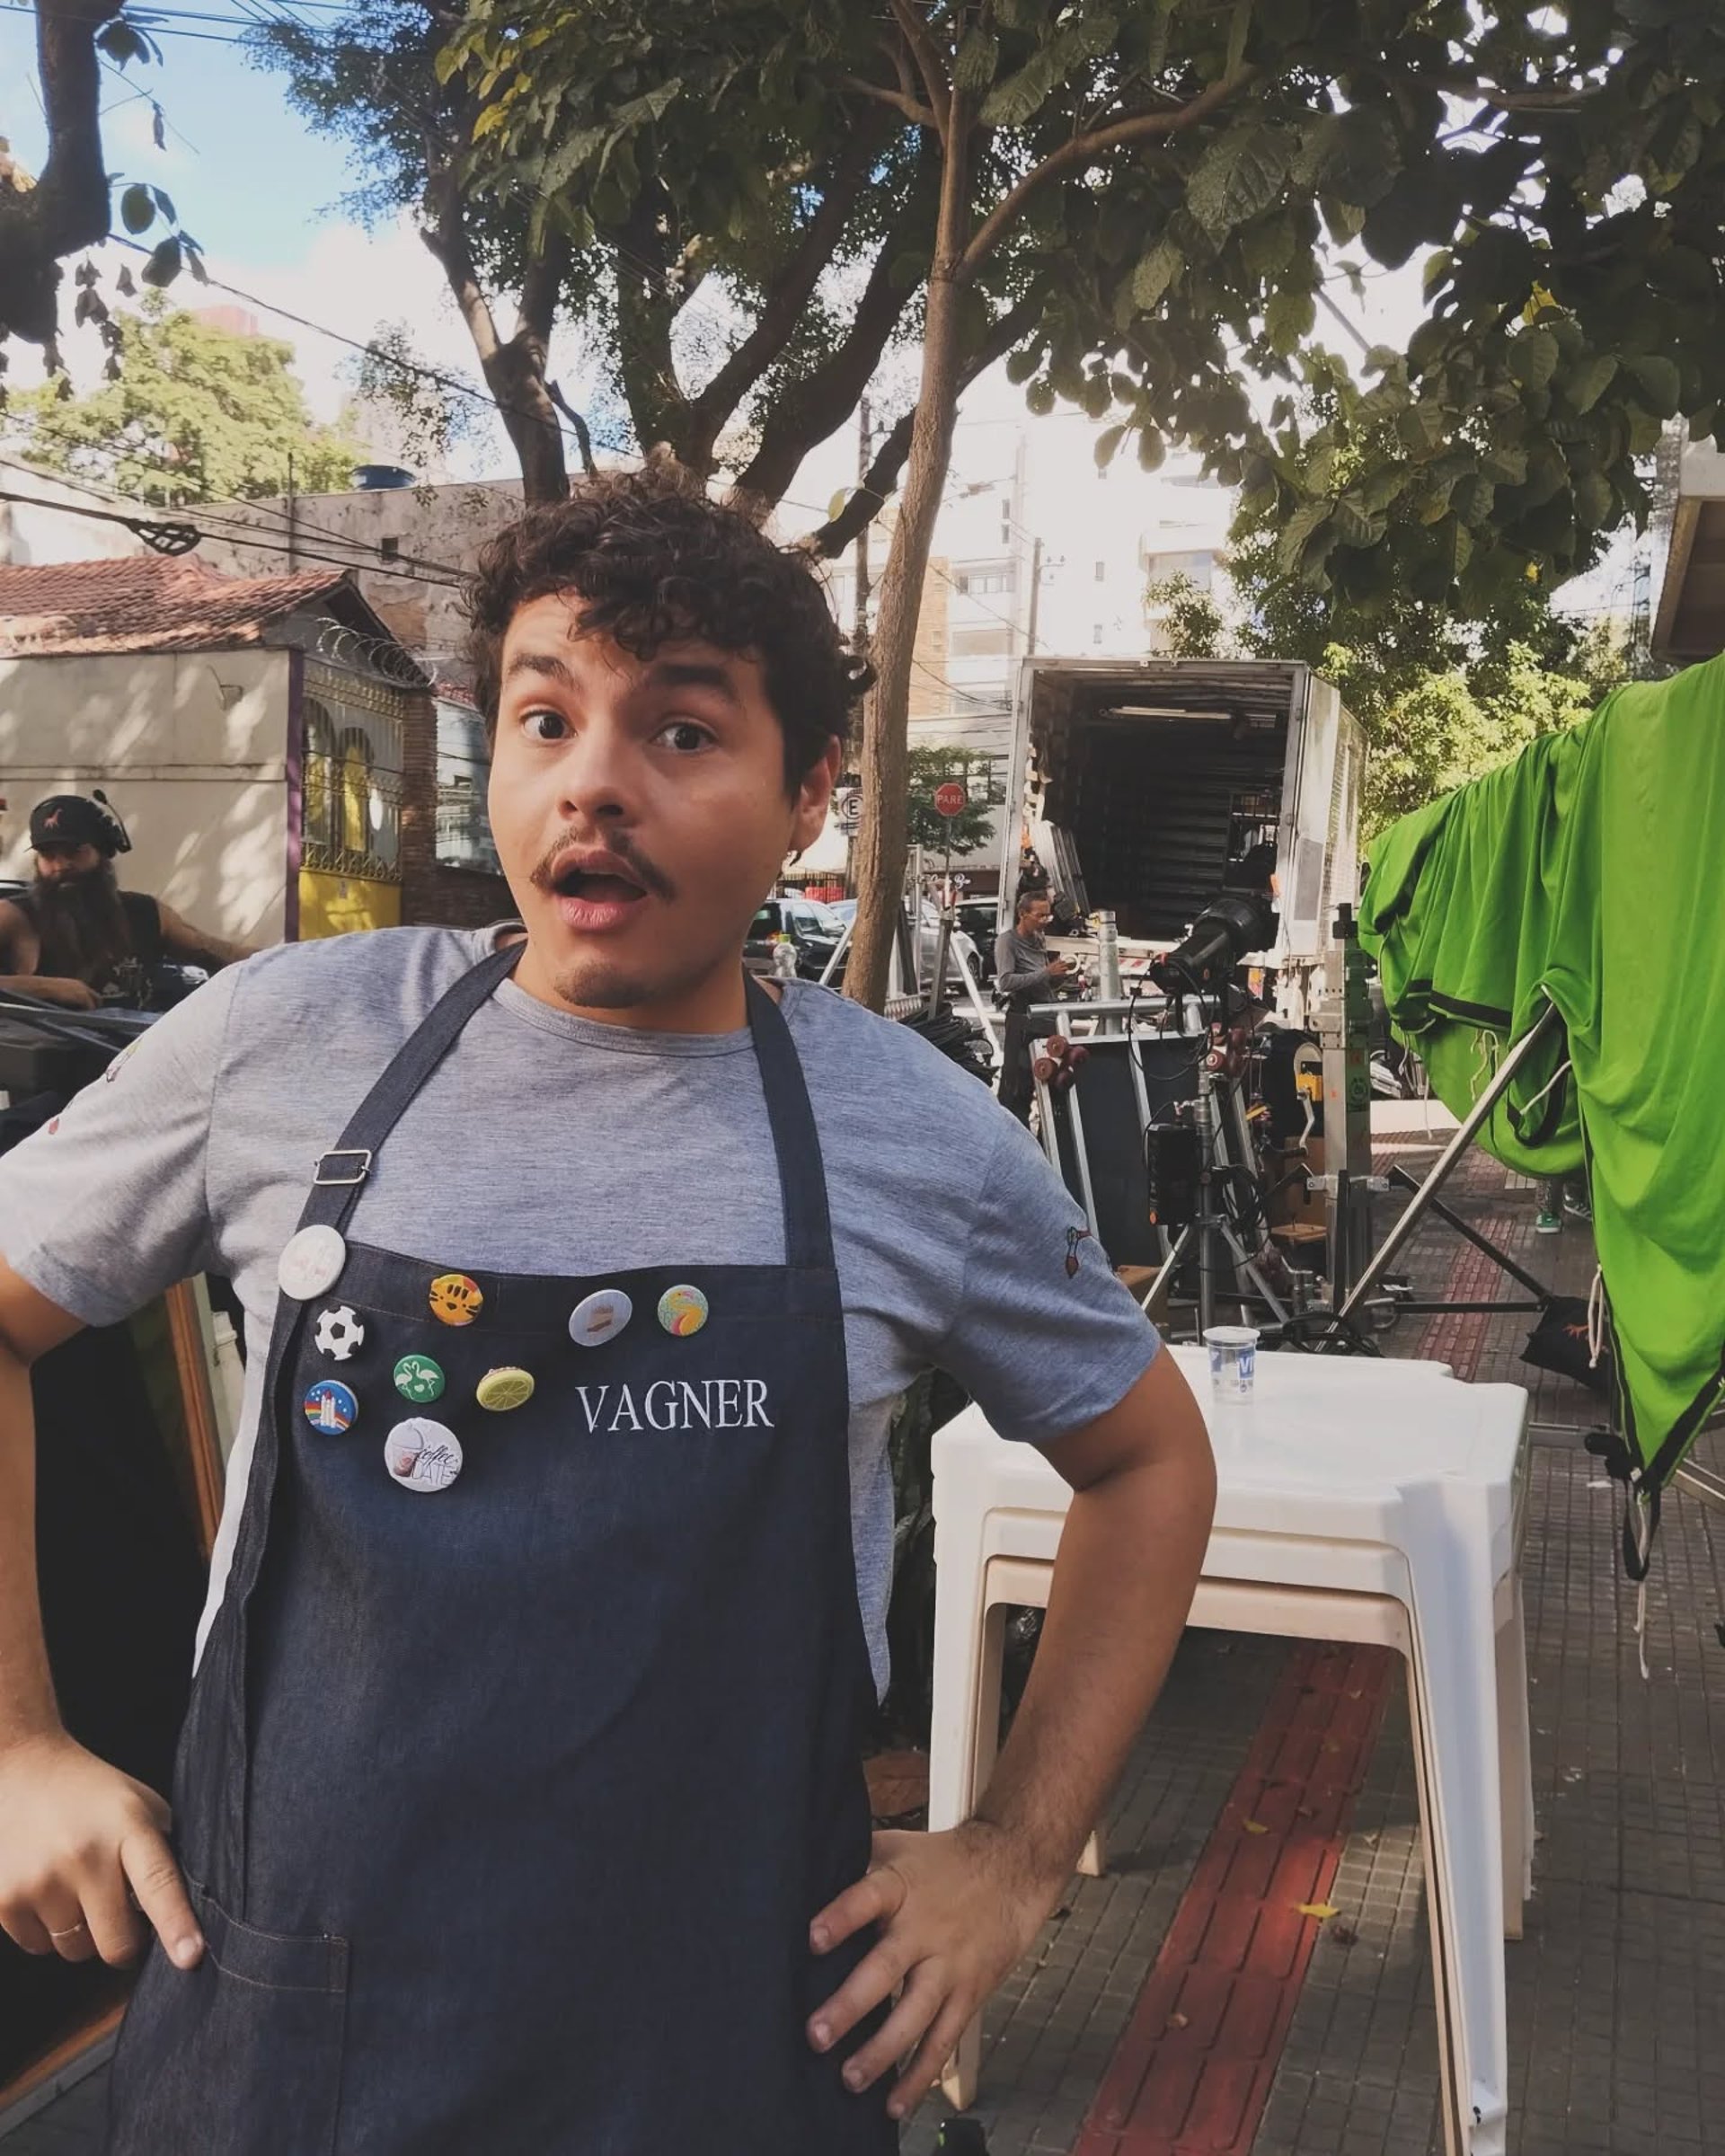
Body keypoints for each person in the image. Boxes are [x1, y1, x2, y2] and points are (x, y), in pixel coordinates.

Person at [0, 469, 1214, 2153]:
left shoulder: (914, 1138)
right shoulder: (287, 1046)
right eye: (545, 719)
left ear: (807, 798)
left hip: (733, 2052)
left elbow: (1150, 1459)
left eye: (682, 734)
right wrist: (15, 1746)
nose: (594, 785)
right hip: (295, 2034)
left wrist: (1010, 1864)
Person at [0, 792, 255, 1012]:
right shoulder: (13, 916)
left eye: (74, 852)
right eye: (48, 855)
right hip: (41, 1063)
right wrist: (43, 987)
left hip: (132, 1057)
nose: (61, 865)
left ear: (104, 852)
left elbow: (218, 952)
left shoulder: (145, 913)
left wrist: (287, 959)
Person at [994, 888, 1073, 1125]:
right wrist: (1045, 972)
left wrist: (1058, 975)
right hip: (1023, 1020)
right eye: (1039, 916)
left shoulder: (1039, 939)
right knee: (1017, 1086)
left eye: (1047, 916)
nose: (1044, 921)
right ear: (1022, 914)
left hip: (1044, 1018)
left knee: (1050, 1079)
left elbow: (1043, 979)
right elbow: (1006, 981)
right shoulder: (1007, 942)